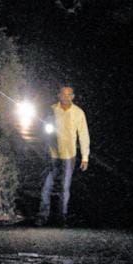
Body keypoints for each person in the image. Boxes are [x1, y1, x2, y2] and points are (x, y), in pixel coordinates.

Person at [36, 86, 90, 227]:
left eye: (69, 95)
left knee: (64, 187)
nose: (66, 97)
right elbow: (43, 131)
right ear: (58, 95)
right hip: (52, 154)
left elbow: (83, 135)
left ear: (73, 96)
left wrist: (85, 157)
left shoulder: (78, 113)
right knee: (47, 185)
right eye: (63, 94)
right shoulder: (51, 109)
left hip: (69, 155)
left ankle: (62, 217)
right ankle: (42, 216)